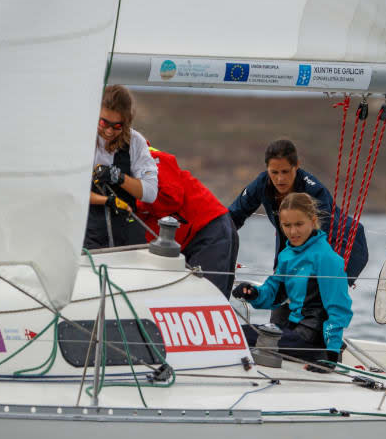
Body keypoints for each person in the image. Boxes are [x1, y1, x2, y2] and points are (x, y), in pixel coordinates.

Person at [232, 193, 352, 370]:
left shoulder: (327, 258)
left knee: (236, 335)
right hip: (292, 332)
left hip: (313, 342)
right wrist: (252, 293)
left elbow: (338, 309)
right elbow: (273, 293)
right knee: (233, 331)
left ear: (312, 221)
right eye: (287, 225)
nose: (293, 231)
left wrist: (331, 357)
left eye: (299, 224)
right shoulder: (287, 256)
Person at [228, 139, 368, 285]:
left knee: (313, 292)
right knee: (281, 292)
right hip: (296, 244)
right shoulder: (262, 183)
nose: (280, 178)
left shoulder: (314, 190)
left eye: (285, 171)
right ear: (267, 169)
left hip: (345, 247)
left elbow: (323, 239)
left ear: (296, 166)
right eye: (274, 172)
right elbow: (232, 217)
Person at [136, 148, 239, 298]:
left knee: (205, 303)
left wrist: (135, 202)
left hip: (208, 230)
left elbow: (172, 198)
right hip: (178, 242)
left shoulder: (149, 157)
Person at [84, 85, 158, 249]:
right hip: (87, 236)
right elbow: (70, 190)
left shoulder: (136, 143)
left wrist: (118, 177)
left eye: (117, 126)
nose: (109, 132)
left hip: (125, 240)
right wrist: (107, 201)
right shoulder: (83, 138)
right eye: (104, 123)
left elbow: (150, 193)